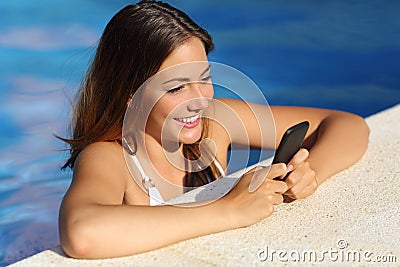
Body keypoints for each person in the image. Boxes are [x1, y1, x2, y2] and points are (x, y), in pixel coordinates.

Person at [58, 0, 369, 259]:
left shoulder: (214, 124)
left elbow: (350, 125)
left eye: (204, 78)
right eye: (177, 88)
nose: (199, 100)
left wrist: (310, 171)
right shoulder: (109, 157)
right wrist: (228, 211)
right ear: (130, 97)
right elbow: (82, 232)